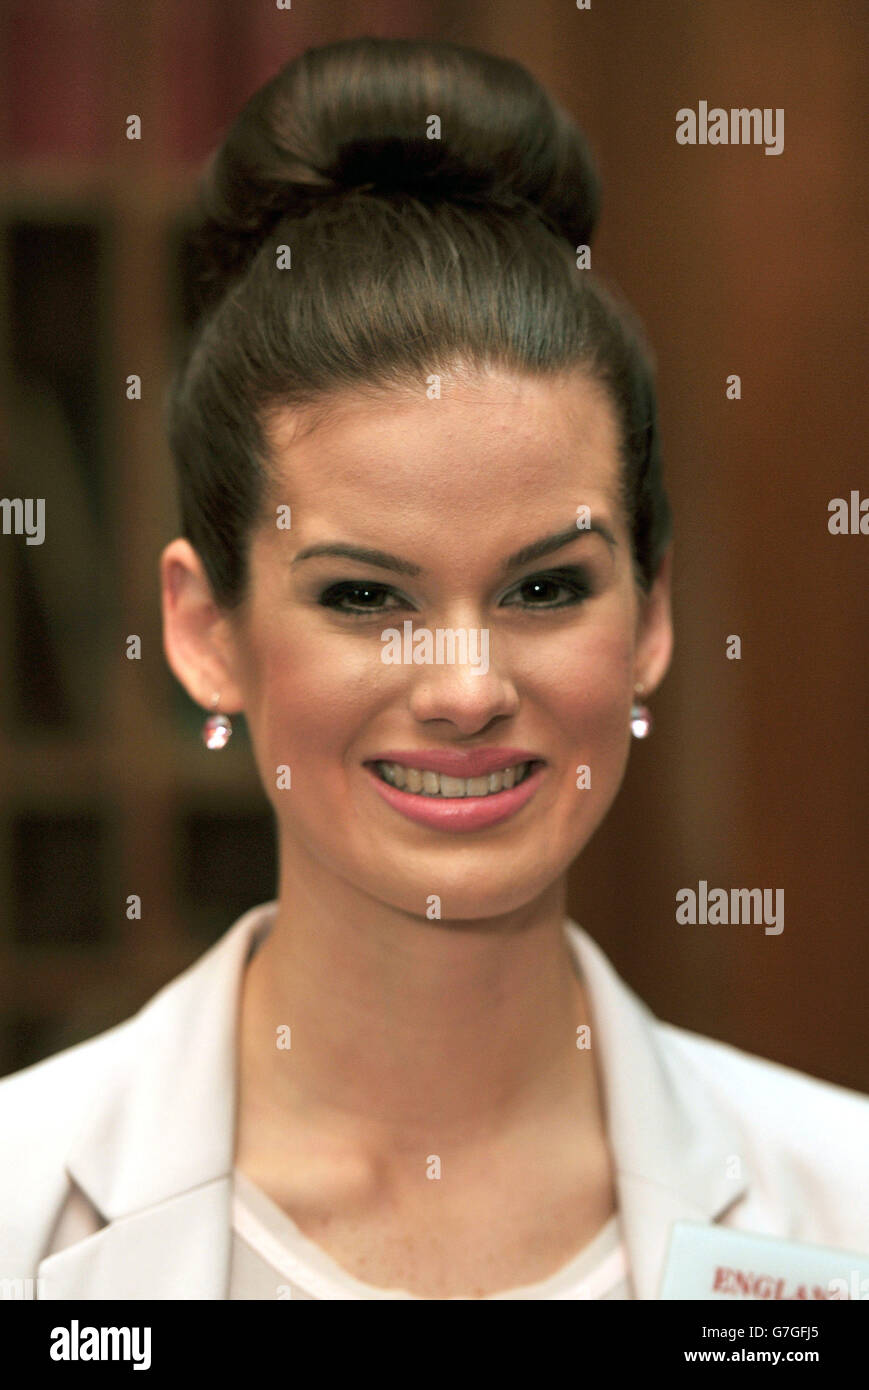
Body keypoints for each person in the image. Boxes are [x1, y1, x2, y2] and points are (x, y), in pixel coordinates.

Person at [1, 36, 867, 1303]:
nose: (465, 689)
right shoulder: (26, 1207)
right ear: (206, 632)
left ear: (650, 612)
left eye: (543, 588)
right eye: (364, 596)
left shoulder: (833, 1210)